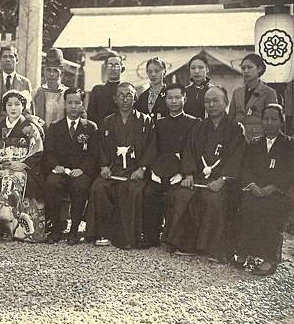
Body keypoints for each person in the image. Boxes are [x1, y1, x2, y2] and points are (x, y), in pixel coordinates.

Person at [164, 86, 245, 262]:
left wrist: (222, 180)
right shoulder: (199, 126)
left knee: (213, 199)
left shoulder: (235, 128)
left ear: (225, 102)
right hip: (199, 177)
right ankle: (186, 244)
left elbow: (237, 157)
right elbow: (189, 151)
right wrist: (189, 175)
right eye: (207, 101)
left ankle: (213, 249)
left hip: (223, 181)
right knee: (183, 194)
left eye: (216, 101)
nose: (211, 104)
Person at [85, 82, 154, 249]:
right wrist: (104, 167)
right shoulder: (108, 122)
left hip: (134, 170)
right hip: (113, 169)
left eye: (129, 95)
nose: (125, 98)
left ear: (135, 98)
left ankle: (129, 237)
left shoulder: (146, 121)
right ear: (115, 99)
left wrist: (142, 169)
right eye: (121, 95)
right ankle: (102, 233)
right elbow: (101, 147)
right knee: (99, 187)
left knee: (132, 190)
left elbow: (152, 148)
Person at [234, 104, 294, 276]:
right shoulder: (255, 143)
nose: (269, 123)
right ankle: (243, 252)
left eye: (274, 119)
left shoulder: (289, 144)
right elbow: (246, 168)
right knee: (247, 206)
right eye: (266, 119)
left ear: (281, 121)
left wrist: (273, 187)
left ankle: (270, 259)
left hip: (279, 192)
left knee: (268, 210)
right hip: (256, 190)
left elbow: (292, 172)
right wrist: (253, 185)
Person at [0, 90, 45, 242]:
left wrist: (24, 164)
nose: (13, 108)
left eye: (17, 104)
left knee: (14, 180)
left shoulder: (30, 127)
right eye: (9, 104)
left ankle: (16, 230)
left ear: (23, 106)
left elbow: (38, 150)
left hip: (22, 167)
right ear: (4, 107)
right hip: (2, 166)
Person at [141, 83, 198, 249]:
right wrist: (153, 171)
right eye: (170, 98)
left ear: (184, 99)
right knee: (150, 192)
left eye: (177, 97)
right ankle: (151, 235)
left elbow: (192, 150)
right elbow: (153, 149)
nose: (173, 101)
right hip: (160, 171)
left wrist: (185, 172)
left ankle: (173, 239)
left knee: (176, 196)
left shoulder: (193, 123)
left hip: (181, 171)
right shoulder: (159, 124)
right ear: (165, 100)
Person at [44, 87, 98, 245]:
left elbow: (94, 155)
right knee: (51, 183)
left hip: (80, 171)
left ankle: (74, 229)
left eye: (77, 103)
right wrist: (56, 166)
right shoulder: (55, 126)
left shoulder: (90, 127)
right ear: (64, 104)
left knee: (80, 186)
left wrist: (82, 169)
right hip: (61, 170)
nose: (73, 106)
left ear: (82, 105)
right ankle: (55, 229)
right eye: (70, 102)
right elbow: (49, 152)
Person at [229, 54, 277, 141]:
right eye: (243, 68)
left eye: (249, 67)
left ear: (259, 69)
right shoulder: (237, 92)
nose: (246, 71)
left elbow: (272, 120)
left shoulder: (269, 93)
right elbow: (231, 118)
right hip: (237, 138)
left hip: (259, 140)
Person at [0, 45, 33, 129]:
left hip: (17, 128)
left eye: (11, 56)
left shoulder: (25, 83)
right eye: (4, 57)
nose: (8, 59)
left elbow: (29, 111)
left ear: (16, 60)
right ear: (0, 60)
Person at [86, 50, 123, 127]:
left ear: (122, 69)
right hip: (100, 135)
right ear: (105, 68)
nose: (113, 69)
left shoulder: (126, 90)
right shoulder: (97, 91)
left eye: (116, 65)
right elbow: (90, 118)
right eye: (110, 65)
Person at [33, 48, 68, 126]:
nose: (51, 74)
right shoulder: (35, 93)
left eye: (55, 71)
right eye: (49, 70)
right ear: (44, 72)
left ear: (62, 73)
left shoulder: (67, 94)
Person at [184, 54, 214, 119]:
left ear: (207, 69)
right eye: (193, 68)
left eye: (200, 67)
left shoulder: (214, 91)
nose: (196, 71)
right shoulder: (184, 92)